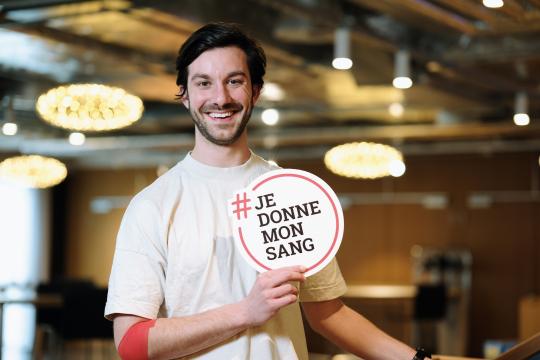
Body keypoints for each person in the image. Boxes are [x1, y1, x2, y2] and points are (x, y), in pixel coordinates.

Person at [105, 23, 428, 360]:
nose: (221, 98)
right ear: (185, 95)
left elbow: (329, 314)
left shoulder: (291, 193)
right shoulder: (153, 205)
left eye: (235, 81)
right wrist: (245, 311)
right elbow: (132, 343)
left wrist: (418, 359)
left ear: (255, 91)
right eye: (204, 83)